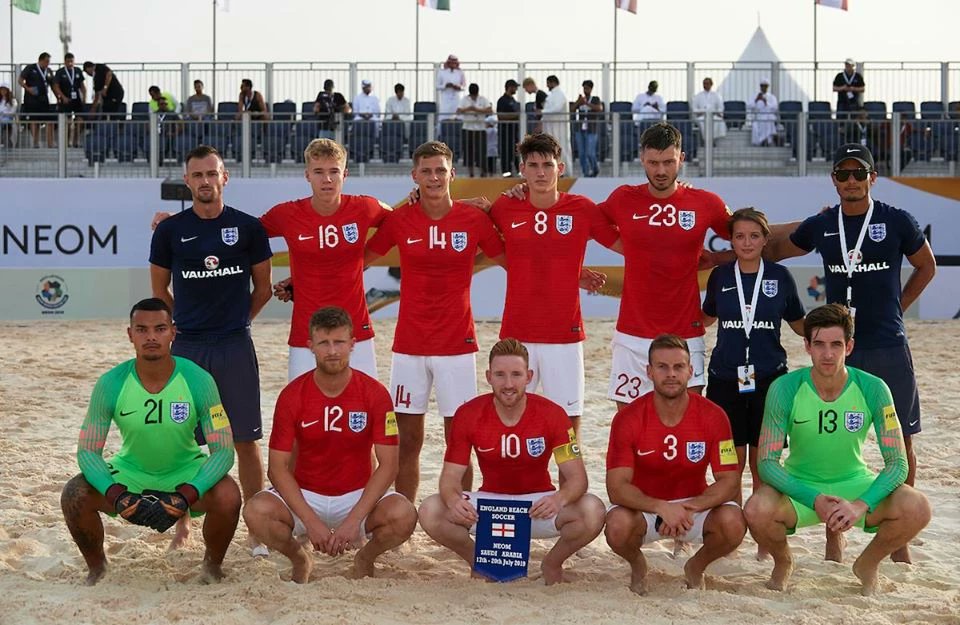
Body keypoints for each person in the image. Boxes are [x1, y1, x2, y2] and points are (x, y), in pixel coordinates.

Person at [765, 143, 936, 563]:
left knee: (902, 442)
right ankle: (833, 535)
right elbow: (772, 247)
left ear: (872, 178)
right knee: (829, 435)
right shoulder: (824, 223)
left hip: (887, 344)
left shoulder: (896, 220)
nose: (852, 181)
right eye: (843, 174)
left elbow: (927, 266)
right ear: (834, 181)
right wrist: (734, 233)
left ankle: (899, 541)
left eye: (859, 173)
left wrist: (898, 308)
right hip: (838, 347)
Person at [745, 304, 931, 595]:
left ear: (850, 346)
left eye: (836, 345)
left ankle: (867, 563)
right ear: (807, 346)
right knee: (756, 509)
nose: (828, 354)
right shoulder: (785, 388)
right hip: (801, 489)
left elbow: (898, 462)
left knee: (918, 507)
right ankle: (783, 563)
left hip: (854, 485)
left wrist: (861, 504)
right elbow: (767, 462)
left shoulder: (874, 387)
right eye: (819, 344)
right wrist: (813, 498)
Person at [60, 298, 241, 586]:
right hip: (132, 471)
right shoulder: (110, 383)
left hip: (185, 471)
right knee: (74, 493)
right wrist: (116, 493)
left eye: (159, 328)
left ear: (173, 332)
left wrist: (187, 495)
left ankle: (212, 566)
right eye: (142, 330)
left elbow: (223, 451)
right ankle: (97, 568)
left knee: (229, 493)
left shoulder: (199, 380)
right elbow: (87, 451)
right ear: (130, 334)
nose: (151, 336)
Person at [364, 140, 506, 502]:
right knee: (407, 441)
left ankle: (461, 515)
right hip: (409, 347)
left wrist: (573, 274)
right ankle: (405, 514)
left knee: (459, 441)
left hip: (457, 346)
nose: (433, 177)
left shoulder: (473, 219)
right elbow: (358, 260)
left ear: (452, 174)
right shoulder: (401, 219)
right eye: (426, 171)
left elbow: (515, 258)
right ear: (414, 176)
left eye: (440, 170)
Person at [149, 145, 273, 555]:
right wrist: (180, 325)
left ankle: (256, 529)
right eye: (197, 175)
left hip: (235, 345)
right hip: (188, 349)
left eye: (212, 174)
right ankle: (182, 522)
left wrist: (240, 321)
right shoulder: (169, 231)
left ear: (225, 177)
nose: (205, 181)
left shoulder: (249, 228)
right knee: (184, 439)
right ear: (187, 181)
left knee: (245, 439)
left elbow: (264, 289)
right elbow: (158, 290)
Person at [242, 306, 417, 582]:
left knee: (404, 513)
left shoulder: (375, 394)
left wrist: (352, 522)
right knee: (255, 511)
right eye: (324, 343)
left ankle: (365, 557)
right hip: (306, 494)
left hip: (356, 496)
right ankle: (300, 558)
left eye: (339, 342)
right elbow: (277, 468)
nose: (332, 351)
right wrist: (311, 523)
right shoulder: (292, 395)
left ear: (352, 344)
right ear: (310, 346)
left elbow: (389, 465)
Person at [417, 339, 605, 584]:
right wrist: (453, 500)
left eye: (516, 374)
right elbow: (450, 477)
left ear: (528, 376)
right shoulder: (468, 414)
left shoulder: (553, 414)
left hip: (537, 506)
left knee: (593, 510)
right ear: (488, 376)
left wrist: (558, 499)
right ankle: (479, 562)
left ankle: (552, 562)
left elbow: (578, 478)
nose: (508, 384)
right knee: (431, 510)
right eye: (500, 375)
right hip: (490, 506)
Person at [489, 132, 620, 437]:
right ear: (522, 169)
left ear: (560, 168)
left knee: (567, 420)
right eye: (533, 165)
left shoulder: (582, 209)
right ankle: (517, 484)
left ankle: (568, 482)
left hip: (564, 332)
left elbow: (630, 244)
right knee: (510, 416)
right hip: (517, 331)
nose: (540, 172)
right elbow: (463, 218)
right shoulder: (505, 207)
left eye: (547, 164)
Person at [599, 122, 732, 408]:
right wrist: (625, 248)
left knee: (687, 421)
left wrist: (719, 258)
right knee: (629, 422)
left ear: (681, 158)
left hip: (686, 329)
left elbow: (751, 238)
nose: (661, 171)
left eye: (669, 162)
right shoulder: (623, 198)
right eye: (653, 163)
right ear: (642, 159)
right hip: (632, 332)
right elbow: (583, 223)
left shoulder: (706, 202)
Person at [604, 334, 745, 595]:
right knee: (616, 526)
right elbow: (616, 487)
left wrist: (690, 507)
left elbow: (729, 480)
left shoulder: (714, 415)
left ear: (690, 371)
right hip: (646, 508)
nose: (671, 374)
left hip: (693, 507)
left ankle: (696, 565)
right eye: (662, 367)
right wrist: (661, 507)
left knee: (734, 522)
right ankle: (637, 564)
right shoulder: (628, 418)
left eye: (678, 367)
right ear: (649, 371)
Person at [260, 138, 392, 380]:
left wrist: (460, 206)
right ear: (307, 175)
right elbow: (242, 232)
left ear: (345, 174)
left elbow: (408, 220)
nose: (327, 179)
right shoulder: (286, 214)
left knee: (363, 407)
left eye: (334, 171)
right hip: (306, 333)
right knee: (304, 408)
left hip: (356, 331)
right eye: (319, 172)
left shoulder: (364, 207)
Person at [702, 208, 805, 514]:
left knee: (764, 465)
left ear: (764, 240)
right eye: (739, 236)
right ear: (730, 242)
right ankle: (731, 528)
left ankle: (762, 531)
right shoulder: (720, 276)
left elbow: (800, 324)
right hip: (725, 378)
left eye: (754, 236)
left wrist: (838, 326)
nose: (746, 243)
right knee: (730, 465)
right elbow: (705, 319)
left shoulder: (780, 277)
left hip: (769, 379)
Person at [18, 52, 54, 148]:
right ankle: (35, 143)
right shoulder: (30, 68)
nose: (47, 63)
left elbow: (53, 85)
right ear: (41, 60)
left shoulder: (49, 71)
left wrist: (58, 96)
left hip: (44, 98)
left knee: (48, 120)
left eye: (49, 62)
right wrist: (28, 88)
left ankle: (50, 143)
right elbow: (20, 80)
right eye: (46, 61)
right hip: (31, 99)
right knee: (34, 120)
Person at [457, 83, 492, 177]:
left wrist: (476, 110)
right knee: (469, 152)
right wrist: (469, 108)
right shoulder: (464, 100)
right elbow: (459, 111)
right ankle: (471, 173)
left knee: (481, 151)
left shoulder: (483, 99)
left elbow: (489, 110)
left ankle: (483, 172)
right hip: (467, 128)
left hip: (480, 128)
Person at [52, 52, 86, 148]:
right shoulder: (60, 72)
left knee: (79, 120)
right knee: (67, 121)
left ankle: (76, 140)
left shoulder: (78, 71)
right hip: (65, 100)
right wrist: (62, 97)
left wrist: (84, 96)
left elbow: (82, 86)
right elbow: (56, 86)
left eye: (72, 61)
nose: (70, 63)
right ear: (65, 62)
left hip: (77, 100)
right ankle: (66, 142)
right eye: (68, 61)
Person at [542, 75, 573, 174]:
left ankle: (565, 173)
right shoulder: (552, 95)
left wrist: (543, 111)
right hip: (551, 128)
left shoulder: (560, 95)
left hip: (559, 128)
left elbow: (557, 108)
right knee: (553, 151)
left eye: (548, 83)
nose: (547, 85)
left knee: (561, 150)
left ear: (552, 82)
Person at [574, 80, 603, 177]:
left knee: (590, 152)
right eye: (584, 88)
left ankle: (595, 169)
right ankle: (585, 173)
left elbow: (599, 108)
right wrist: (578, 102)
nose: (585, 90)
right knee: (582, 154)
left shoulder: (595, 99)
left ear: (591, 89)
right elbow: (572, 109)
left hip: (592, 129)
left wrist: (586, 103)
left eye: (587, 88)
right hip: (580, 129)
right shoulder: (580, 99)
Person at [351, 79, 380, 163]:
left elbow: (378, 112)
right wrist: (363, 115)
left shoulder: (375, 98)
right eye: (366, 87)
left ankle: (375, 140)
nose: (368, 89)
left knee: (376, 121)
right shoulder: (357, 98)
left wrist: (370, 115)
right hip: (360, 118)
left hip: (372, 117)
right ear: (363, 88)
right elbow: (355, 111)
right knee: (356, 121)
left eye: (369, 87)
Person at [496, 79, 521, 175]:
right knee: (506, 153)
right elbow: (500, 116)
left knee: (516, 153)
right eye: (514, 87)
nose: (516, 89)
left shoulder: (513, 100)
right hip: (505, 132)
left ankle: (517, 171)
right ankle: (506, 173)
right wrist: (515, 115)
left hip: (514, 132)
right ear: (509, 87)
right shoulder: (502, 100)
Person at [692, 77, 725, 144]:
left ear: (711, 84)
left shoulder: (717, 95)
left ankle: (712, 140)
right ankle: (705, 140)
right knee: (703, 122)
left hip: (713, 115)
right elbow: (694, 108)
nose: (706, 85)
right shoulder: (698, 96)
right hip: (702, 116)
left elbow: (720, 107)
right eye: (704, 84)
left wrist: (716, 112)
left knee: (717, 121)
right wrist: (701, 112)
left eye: (707, 84)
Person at [749, 78, 779, 147]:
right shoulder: (755, 96)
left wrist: (766, 102)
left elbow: (775, 108)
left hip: (768, 117)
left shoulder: (772, 97)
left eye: (765, 86)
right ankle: (761, 141)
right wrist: (756, 100)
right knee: (756, 126)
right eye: (762, 86)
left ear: (767, 87)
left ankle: (766, 141)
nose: (763, 88)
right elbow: (749, 106)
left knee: (768, 121)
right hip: (758, 117)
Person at [436, 54, 465, 122]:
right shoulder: (442, 72)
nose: (453, 64)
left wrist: (458, 87)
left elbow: (464, 86)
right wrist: (445, 86)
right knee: (444, 117)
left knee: (457, 117)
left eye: (454, 62)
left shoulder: (460, 73)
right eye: (451, 62)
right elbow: (437, 86)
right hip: (445, 99)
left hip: (456, 98)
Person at [0, 82, 16, 148]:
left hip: (8, 120)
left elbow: (12, 112)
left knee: (5, 124)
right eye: (1, 89)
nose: (3, 91)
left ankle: (6, 144)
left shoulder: (13, 101)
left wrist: (4, 114)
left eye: (5, 89)